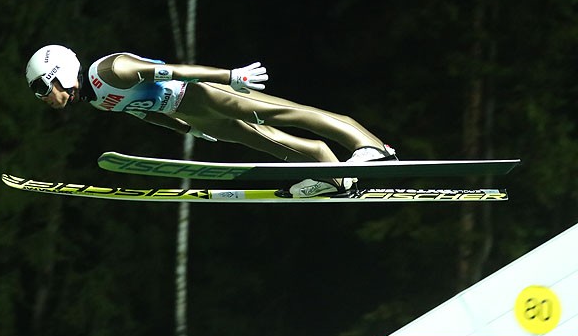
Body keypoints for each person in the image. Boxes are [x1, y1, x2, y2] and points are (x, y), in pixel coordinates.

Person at [25, 44, 396, 197]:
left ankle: (372, 147)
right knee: (265, 141)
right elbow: (147, 113)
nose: (44, 97)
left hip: (202, 92)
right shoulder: (97, 100)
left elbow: (174, 70)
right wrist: (189, 129)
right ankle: (331, 174)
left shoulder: (110, 70)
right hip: (190, 113)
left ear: (60, 72)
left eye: (43, 87)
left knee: (284, 112)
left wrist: (229, 76)